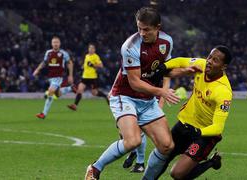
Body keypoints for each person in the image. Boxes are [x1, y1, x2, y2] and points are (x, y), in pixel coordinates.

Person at [84, 7, 181, 180]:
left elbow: (164, 70)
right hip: (124, 96)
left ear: (157, 27)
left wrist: (189, 71)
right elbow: (134, 82)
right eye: (139, 28)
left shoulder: (167, 42)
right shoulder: (130, 46)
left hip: (147, 99)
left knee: (167, 145)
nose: (142, 33)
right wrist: (162, 92)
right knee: (133, 141)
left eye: (146, 29)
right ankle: (95, 169)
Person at [142, 45, 233, 180]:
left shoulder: (223, 92)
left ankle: (212, 162)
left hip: (204, 135)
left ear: (223, 66)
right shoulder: (201, 65)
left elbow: (218, 127)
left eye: (215, 60)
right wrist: (165, 67)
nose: (209, 61)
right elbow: (180, 61)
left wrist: (199, 133)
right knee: (163, 158)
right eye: (210, 57)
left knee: (177, 174)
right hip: (184, 124)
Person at [33, 36, 75, 119]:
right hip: (51, 77)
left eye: (57, 42)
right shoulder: (48, 53)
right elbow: (44, 62)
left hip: (58, 77)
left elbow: (70, 63)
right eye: (54, 42)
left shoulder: (63, 53)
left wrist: (70, 75)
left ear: (60, 44)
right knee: (58, 94)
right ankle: (70, 88)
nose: (55, 44)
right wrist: (37, 69)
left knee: (50, 91)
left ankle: (43, 113)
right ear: (51, 44)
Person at [67, 43, 108, 111]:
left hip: (92, 77)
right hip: (85, 76)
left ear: (94, 50)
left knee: (94, 93)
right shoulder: (86, 56)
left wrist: (92, 65)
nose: (91, 49)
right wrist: (83, 67)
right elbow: (86, 65)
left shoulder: (96, 56)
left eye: (92, 48)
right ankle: (75, 105)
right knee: (79, 90)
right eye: (90, 48)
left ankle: (106, 96)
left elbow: (101, 65)